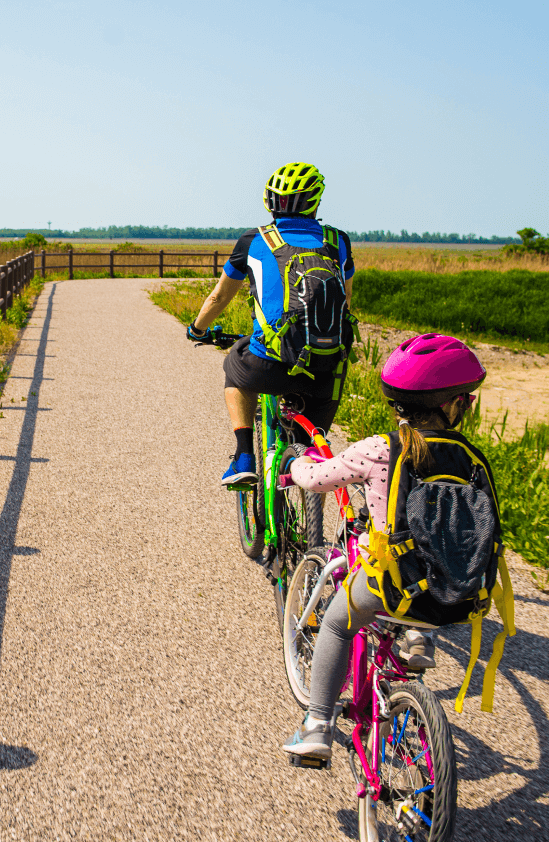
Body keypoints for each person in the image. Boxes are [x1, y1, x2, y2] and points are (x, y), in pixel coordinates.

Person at [282, 333, 502, 760]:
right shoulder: (472, 458)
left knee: (335, 623)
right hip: (458, 594)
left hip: (390, 584)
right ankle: (418, 640)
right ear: (455, 405)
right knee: (427, 565)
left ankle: (318, 725)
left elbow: (315, 481)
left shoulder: (380, 449)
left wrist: (294, 464)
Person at [187, 162, 355, 485]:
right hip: (328, 370)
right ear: (314, 202)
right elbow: (346, 303)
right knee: (308, 453)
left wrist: (196, 329)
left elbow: (219, 298)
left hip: (270, 365)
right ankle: (305, 489)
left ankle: (244, 457)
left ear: (269, 201)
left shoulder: (254, 240)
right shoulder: (339, 242)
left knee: (234, 365)